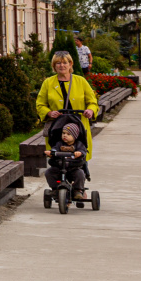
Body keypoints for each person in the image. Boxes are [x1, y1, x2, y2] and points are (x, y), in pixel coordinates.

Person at [37, 51, 99, 197]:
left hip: (78, 127)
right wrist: (48, 112)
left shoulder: (80, 81)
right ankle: (60, 187)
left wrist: (90, 110)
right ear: (54, 66)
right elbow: (40, 104)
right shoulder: (48, 83)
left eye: (65, 62)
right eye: (58, 63)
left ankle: (79, 187)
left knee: (79, 158)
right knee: (58, 160)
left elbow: (92, 101)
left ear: (71, 64)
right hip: (58, 128)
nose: (62, 65)